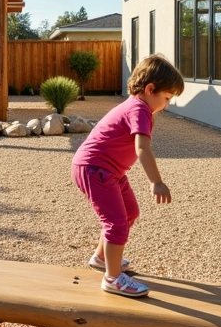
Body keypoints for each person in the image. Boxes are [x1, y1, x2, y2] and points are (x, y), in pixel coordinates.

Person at [71, 54, 185, 297]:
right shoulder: (140, 109)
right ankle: (112, 278)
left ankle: (101, 258)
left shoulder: (138, 106)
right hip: (96, 169)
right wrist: (157, 182)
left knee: (130, 212)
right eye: (166, 98)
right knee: (116, 223)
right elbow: (142, 148)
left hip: (109, 170)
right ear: (150, 89)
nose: (166, 105)